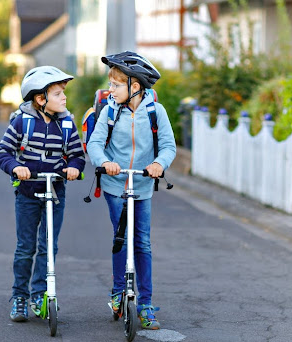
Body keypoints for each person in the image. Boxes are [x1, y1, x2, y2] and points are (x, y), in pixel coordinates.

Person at [86, 51, 176, 330]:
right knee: (121, 237)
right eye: (110, 85)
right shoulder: (110, 110)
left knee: (143, 242)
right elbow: (95, 144)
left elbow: (169, 146)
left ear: (134, 86)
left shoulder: (155, 112)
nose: (110, 90)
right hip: (115, 184)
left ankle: (146, 304)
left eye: (116, 85)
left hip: (142, 184)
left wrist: (159, 165)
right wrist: (105, 163)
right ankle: (117, 293)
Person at [0, 66, 85, 322]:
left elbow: (78, 156)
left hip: (55, 192)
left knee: (48, 247)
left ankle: (40, 294)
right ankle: (20, 296)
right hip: (27, 193)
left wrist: (73, 169)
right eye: (58, 94)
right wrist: (16, 167)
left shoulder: (67, 124)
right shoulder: (23, 121)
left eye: (63, 93)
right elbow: (2, 153)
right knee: (25, 247)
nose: (64, 98)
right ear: (40, 98)